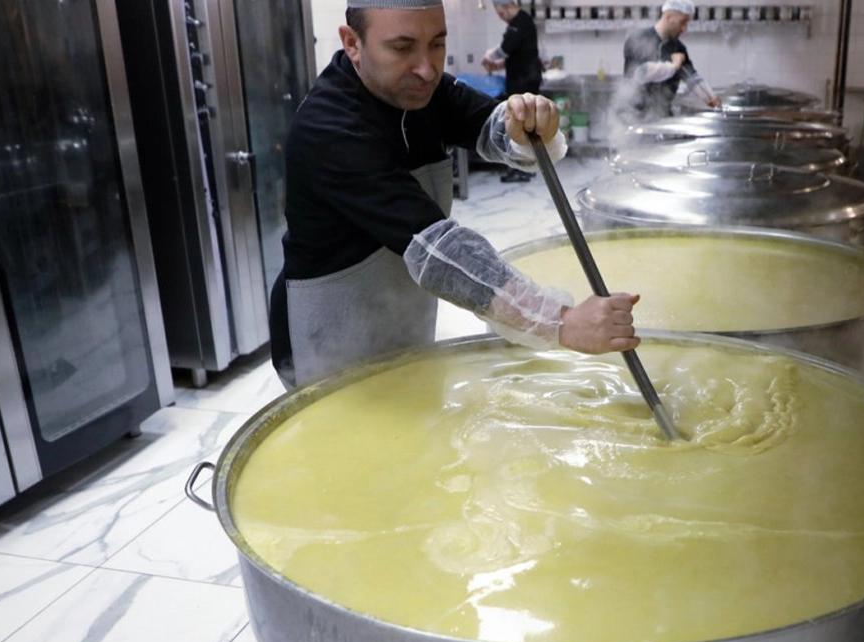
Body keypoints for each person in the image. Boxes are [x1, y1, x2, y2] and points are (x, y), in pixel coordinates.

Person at [269, 0, 640, 389]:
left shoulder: (424, 92)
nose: (427, 69)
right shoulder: (329, 128)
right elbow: (440, 250)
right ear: (352, 43)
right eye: (402, 47)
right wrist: (560, 322)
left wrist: (528, 124)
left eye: (437, 44)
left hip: (398, 319)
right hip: (329, 339)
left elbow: (491, 126)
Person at [621, 0, 719, 121]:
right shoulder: (638, 39)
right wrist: (673, 66)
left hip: (662, 116)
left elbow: (693, 79)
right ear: (668, 16)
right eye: (682, 22)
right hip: (635, 117)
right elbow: (641, 73)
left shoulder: (678, 48)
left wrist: (712, 99)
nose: (684, 29)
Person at [482, 0, 543, 183]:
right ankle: (524, 166)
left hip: (524, 82)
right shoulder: (520, 22)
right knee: (524, 124)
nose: (502, 18)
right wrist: (499, 65)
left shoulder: (520, 22)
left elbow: (504, 50)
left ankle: (523, 169)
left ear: (508, 6)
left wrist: (489, 56)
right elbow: (516, 54)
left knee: (521, 125)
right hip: (523, 79)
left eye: (501, 14)